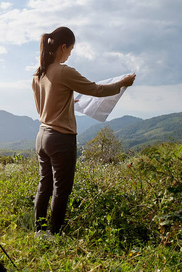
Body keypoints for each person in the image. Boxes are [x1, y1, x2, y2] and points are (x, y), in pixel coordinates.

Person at [32, 26, 136, 235]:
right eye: (70, 49)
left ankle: (39, 231)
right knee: (62, 189)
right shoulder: (64, 71)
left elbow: (46, 106)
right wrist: (123, 83)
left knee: (45, 185)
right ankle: (54, 233)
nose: (70, 53)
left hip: (42, 136)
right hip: (61, 138)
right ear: (63, 47)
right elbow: (97, 90)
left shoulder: (39, 74)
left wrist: (69, 101)